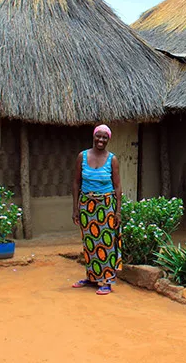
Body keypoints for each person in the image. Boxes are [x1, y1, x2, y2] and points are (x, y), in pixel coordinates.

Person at [71, 124, 122, 295]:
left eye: (104, 137)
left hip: (106, 204)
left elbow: (117, 186)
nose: (101, 140)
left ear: (108, 140)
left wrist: (118, 211)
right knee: (90, 242)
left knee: (106, 242)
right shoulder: (82, 156)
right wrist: (75, 208)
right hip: (86, 205)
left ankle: (107, 280)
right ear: (93, 137)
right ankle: (92, 277)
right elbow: (76, 183)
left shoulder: (112, 159)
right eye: (98, 136)